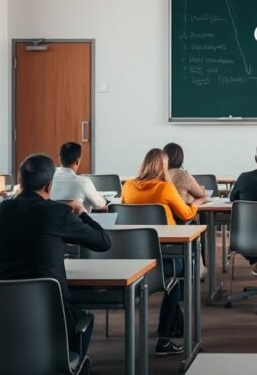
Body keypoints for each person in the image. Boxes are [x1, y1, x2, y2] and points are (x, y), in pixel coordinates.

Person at [0, 153, 111, 358]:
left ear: (20, 181)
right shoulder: (58, 213)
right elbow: (103, 242)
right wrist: (82, 211)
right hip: (48, 312)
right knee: (82, 320)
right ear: (49, 186)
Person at [119, 148, 196, 355]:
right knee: (184, 268)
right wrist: (197, 202)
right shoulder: (165, 188)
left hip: (131, 261)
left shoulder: (127, 187)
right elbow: (186, 213)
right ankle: (165, 336)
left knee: (174, 276)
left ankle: (174, 322)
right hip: (161, 260)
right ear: (163, 166)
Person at [121, 148, 197, 225]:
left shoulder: (127, 185)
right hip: (167, 235)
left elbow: (124, 212)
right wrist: (196, 203)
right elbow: (187, 215)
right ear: (164, 168)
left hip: (135, 236)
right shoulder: (165, 188)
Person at [50, 142, 107, 212]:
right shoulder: (83, 182)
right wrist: (104, 199)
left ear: (60, 159)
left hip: (51, 221)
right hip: (76, 221)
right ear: (77, 161)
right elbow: (99, 204)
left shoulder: (48, 178)